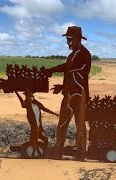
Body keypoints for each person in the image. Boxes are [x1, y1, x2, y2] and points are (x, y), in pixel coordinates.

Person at [44, 26, 91, 161]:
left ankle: (80, 154)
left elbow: (70, 70)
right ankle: (59, 152)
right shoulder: (73, 54)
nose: (68, 42)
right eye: (67, 40)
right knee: (64, 124)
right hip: (71, 93)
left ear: (77, 39)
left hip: (77, 95)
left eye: (70, 39)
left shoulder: (82, 54)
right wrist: (62, 86)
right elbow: (71, 73)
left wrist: (52, 70)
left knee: (78, 125)